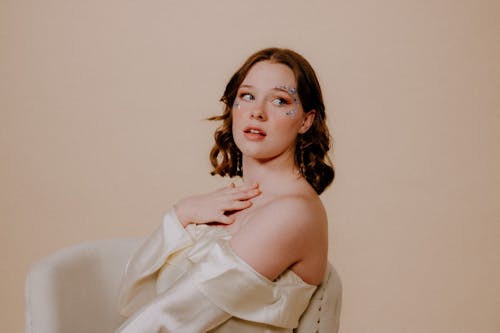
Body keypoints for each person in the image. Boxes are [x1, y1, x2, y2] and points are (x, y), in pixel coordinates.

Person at [115, 47, 335, 333]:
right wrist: (182, 213)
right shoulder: (234, 201)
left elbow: (169, 317)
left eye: (280, 100)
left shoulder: (293, 213)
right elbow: (133, 298)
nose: (257, 112)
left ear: (305, 120)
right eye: (247, 96)